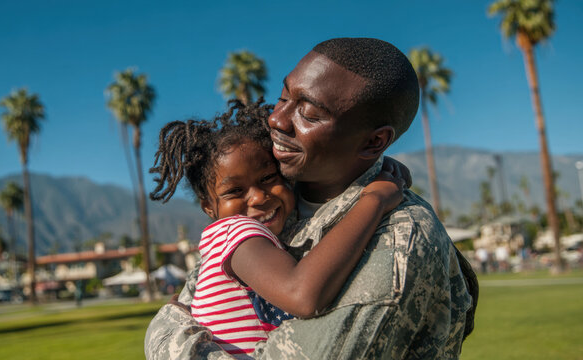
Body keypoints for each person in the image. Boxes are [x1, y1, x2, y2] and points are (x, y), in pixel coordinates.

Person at [145, 37, 478, 359]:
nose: (276, 119)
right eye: (283, 97)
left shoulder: (399, 237)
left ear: (374, 142)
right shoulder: (276, 202)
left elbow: (185, 316)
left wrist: (167, 330)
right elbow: (198, 297)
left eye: (309, 113)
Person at [148, 100, 406, 358]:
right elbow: (301, 294)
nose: (259, 197)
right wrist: (374, 201)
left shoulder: (253, 235)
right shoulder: (236, 231)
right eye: (235, 191)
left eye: (268, 178)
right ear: (209, 207)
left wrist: (373, 170)